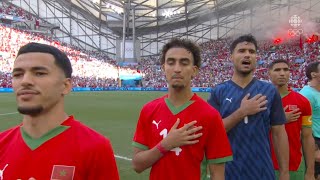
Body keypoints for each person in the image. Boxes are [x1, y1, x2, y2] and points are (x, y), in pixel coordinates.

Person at [0, 42, 119, 180]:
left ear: (66, 86)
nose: (25, 81)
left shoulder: (95, 147)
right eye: (18, 74)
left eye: (39, 73)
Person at [132, 38, 233, 180]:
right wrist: (165, 145)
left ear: (194, 70)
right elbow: (137, 165)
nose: (177, 69)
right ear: (163, 68)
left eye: (184, 63)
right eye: (171, 62)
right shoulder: (148, 110)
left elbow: (217, 174)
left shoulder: (210, 115)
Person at [207, 34, 289, 180]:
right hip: (227, 171)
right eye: (242, 51)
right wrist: (242, 112)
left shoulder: (269, 91)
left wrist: (284, 172)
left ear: (256, 57)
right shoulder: (218, 91)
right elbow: (212, 133)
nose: (247, 55)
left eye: (251, 52)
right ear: (231, 56)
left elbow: (279, 133)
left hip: (262, 170)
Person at [268, 59, 315, 180]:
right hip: (264, 163)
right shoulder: (260, 100)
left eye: (286, 69)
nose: (282, 73)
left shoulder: (302, 102)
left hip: (294, 165)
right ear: (269, 73)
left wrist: (310, 171)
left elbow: (307, 137)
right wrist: (280, 119)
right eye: (277, 70)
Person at [300, 61, 320, 179]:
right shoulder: (306, 95)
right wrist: (314, 150)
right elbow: (302, 125)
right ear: (314, 75)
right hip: (316, 141)